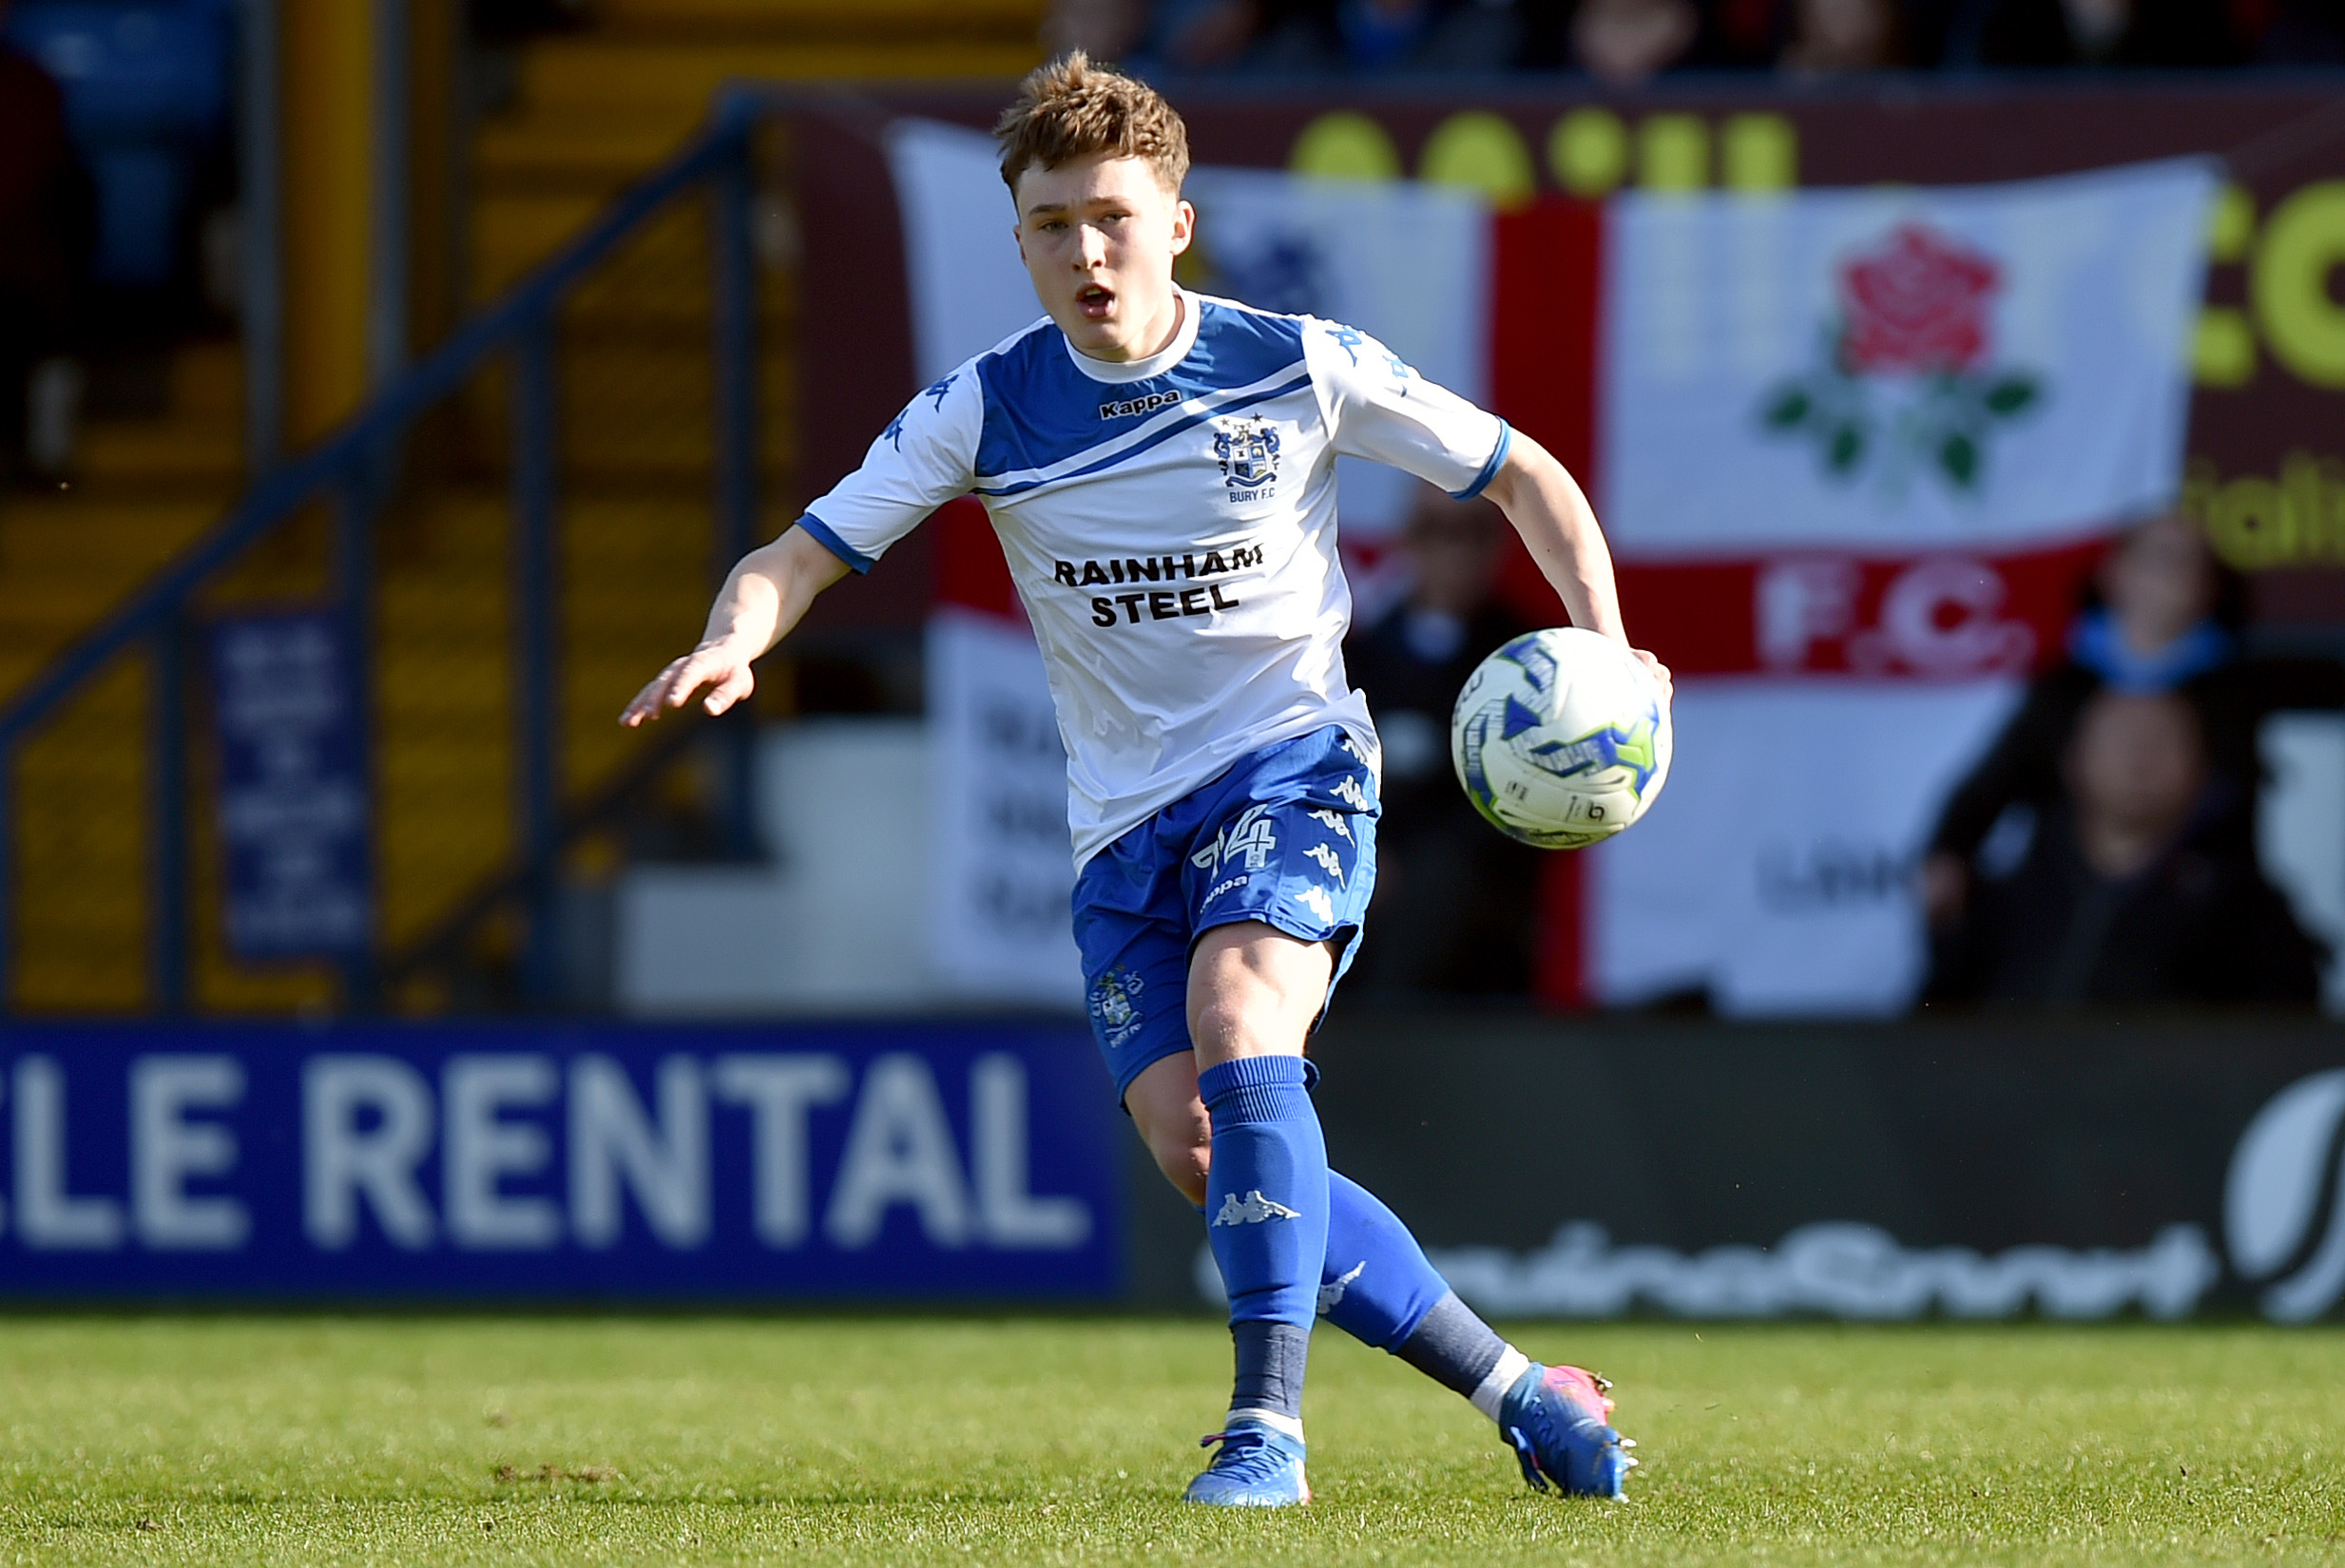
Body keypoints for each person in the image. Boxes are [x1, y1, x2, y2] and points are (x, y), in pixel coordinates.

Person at [624, 54, 1663, 1508]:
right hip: (1122, 828)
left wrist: (1607, 655)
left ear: (1174, 221)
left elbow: (1519, 473)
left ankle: (1264, 1432)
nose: (1084, 252)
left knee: (1242, 1016)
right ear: (1019, 241)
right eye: (1051, 225)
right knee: (1202, 1153)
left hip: (1290, 764)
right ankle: (1520, 1389)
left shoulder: (1292, 362)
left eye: (1111, 217)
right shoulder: (983, 410)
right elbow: (797, 554)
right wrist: (731, 638)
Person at [1920, 509, 2345, 937]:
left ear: (2209, 589)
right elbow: (1996, 780)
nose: (2178, 575)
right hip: (2065, 900)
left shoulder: (2231, 689)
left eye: (2192, 562)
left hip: (2192, 912)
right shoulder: (2067, 685)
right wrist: (1947, 852)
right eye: (2162, 557)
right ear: (2115, 573)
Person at [1922, 688, 2322, 1006]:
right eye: (2121, 736)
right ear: (2072, 760)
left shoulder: (2244, 910)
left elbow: (2282, 1046)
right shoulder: (2000, 904)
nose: (2142, 756)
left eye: (2165, 739)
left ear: (2202, 770)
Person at [1344, 487, 1541, 995]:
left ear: (1496, 546)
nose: (1453, 550)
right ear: (1407, 542)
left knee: (1438, 890)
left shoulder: (1527, 662)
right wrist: (1367, 855)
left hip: (1474, 902)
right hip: (1368, 870)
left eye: (1471, 533)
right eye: (1436, 532)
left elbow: (1527, 792)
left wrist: (1408, 868)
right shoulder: (1358, 656)